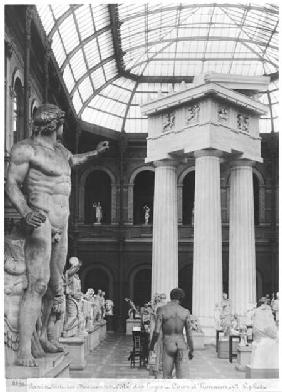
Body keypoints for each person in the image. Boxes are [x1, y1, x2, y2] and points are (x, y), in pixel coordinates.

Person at [5, 103, 109, 367]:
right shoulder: (26, 148)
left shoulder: (62, 151)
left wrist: (95, 153)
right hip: (40, 219)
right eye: (61, 122)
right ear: (54, 124)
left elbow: (76, 160)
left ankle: (42, 337)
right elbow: (12, 184)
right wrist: (26, 211)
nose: (63, 127)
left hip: (62, 223)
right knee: (38, 283)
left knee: (55, 285)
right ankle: (24, 349)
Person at [149, 288, 194, 379]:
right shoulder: (185, 312)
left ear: (170, 297)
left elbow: (156, 331)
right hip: (181, 345)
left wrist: (151, 346)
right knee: (182, 378)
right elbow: (189, 334)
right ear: (181, 298)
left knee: (167, 377)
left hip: (168, 344)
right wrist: (192, 350)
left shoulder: (162, 310)